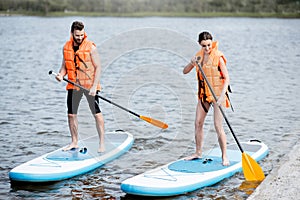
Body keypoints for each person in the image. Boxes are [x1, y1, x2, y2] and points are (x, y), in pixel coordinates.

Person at [55, 21, 105, 152]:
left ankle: (102, 144)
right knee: (71, 115)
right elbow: (64, 67)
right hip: (73, 85)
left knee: (96, 114)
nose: (80, 37)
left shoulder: (91, 47)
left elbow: (98, 67)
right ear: (72, 33)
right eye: (77, 35)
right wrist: (60, 75)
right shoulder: (66, 47)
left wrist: (94, 87)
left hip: (89, 86)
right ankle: (74, 142)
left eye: (82, 34)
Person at [183, 31, 231, 166]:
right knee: (198, 123)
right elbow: (185, 71)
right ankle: (198, 152)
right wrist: (191, 63)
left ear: (212, 43)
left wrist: (222, 96)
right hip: (204, 95)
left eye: (209, 45)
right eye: (204, 46)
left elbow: (227, 78)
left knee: (217, 126)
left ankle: (224, 156)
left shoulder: (218, 57)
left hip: (218, 96)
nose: (207, 48)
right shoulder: (198, 57)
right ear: (200, 44)